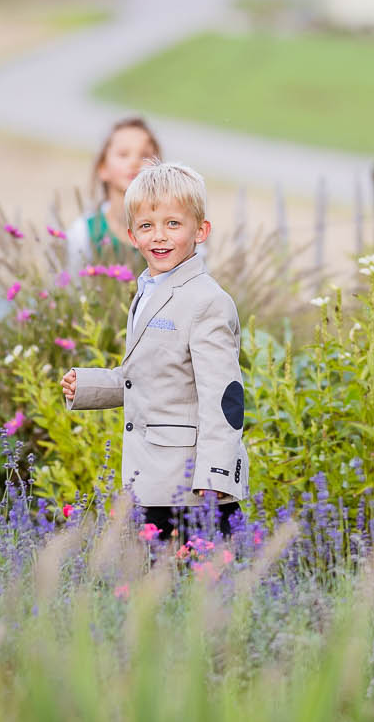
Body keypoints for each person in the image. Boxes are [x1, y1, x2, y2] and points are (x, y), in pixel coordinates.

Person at [62, 161, 247, 541]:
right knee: (152, 591)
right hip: (150, 480)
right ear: (132, 235)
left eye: (173, 224)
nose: (159, 236)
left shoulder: (206, 301)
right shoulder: (149, 290)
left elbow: (223, 399)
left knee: (205, 590)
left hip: (191, 489)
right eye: (147, 226)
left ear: (201, 231)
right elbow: (148, 376)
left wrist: (214, 478)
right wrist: (89, 386)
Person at [66, 116, 161, 267]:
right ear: (103, 168)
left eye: (144, 156)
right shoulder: (83, 232)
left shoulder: (172, 230)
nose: (134, 162)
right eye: (123, 154)